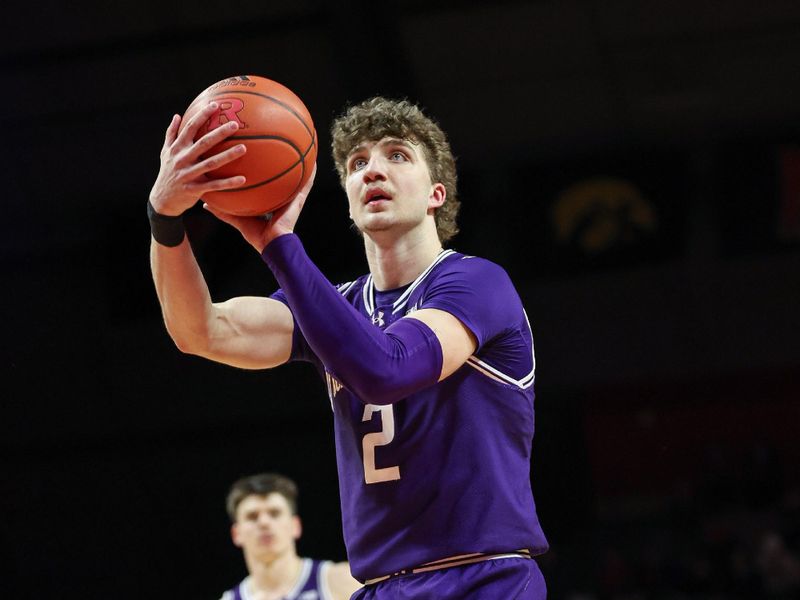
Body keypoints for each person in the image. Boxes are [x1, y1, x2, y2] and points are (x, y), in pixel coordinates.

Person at [149, 95, 549, 599]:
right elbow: (199, 331)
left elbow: (388, 368)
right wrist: (164, 220)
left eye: (396, 155)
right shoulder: (334, 307)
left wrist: (279, 246)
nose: (372, 170)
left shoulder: (477, 283)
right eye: (358, 163)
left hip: (482, 578)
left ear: (436, 193)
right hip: (381, 587)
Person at [219, 472, 361, 600]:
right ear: (236, 534)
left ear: (295, 526)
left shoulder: (339, 580)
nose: (264, 523)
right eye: (252, 516)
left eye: (275, 513)